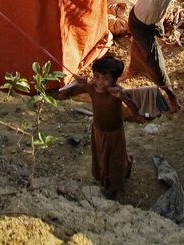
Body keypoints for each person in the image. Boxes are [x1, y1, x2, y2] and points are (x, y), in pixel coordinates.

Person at [53, 56, 141, 198]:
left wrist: (122, 97)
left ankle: (114, 189)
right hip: (98, 131)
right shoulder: (91, 88)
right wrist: (76, 82)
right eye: (97, 76)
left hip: (114, 134)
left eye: (105, 78)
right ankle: (121, 166)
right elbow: (63, 94)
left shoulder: (117, 92)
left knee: (114, 162)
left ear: (115, 80)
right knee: (102, 158)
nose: (100, 82)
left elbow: (135, 110)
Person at [127, 0, 183, 88]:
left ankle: (135, 68)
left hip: (155, 21)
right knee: (154, 61)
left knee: (139, 44)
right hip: (139, 22)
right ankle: (170, 94)